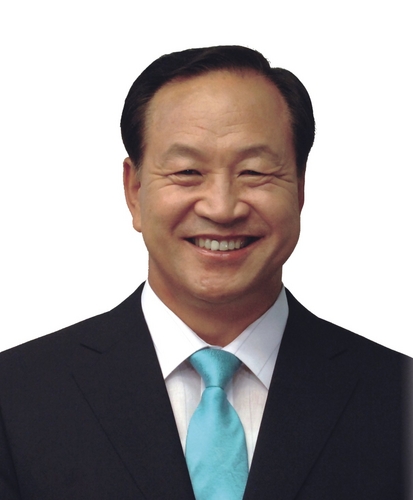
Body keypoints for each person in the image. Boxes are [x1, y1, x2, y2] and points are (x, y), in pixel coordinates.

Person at [0, 45, 411, 499]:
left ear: (300, 188)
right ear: (134, 190)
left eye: (255, 171)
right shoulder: (16, 397)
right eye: (187, 171)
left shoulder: (398, 397)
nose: (221, 208)